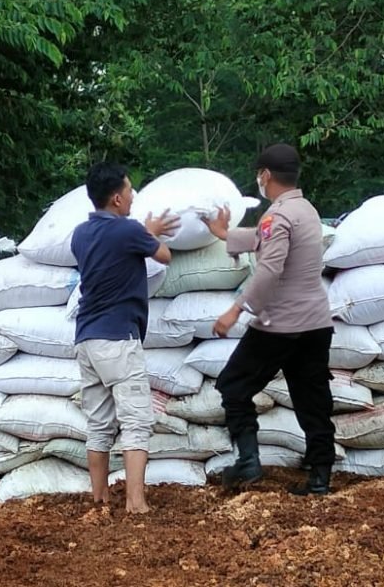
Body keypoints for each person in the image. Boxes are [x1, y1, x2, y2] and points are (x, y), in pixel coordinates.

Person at [202, 143, 336, 496]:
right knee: (312, 397)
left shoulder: (276, 216)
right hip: (316, 323)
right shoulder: (305, 209)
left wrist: (236, 310)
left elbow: (270, 269)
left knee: (233, 386)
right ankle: (320, 474)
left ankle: (247, 461)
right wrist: (224, 234)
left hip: (281, 325)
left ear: (265, 175)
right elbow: (267, 240)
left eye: (258, 174)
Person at [71, 162, 179, 514]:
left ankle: (99, 497)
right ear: (117, 198)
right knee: (136, 420)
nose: (134, 195)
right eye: (130, 190)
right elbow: (164, 256)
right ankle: (136, 502)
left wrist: (142, 231)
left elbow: (111, 250)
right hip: (118, 338)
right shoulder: (128, 231)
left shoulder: (80, 234)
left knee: (99, 421)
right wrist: (151, 233)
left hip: (87, 338)